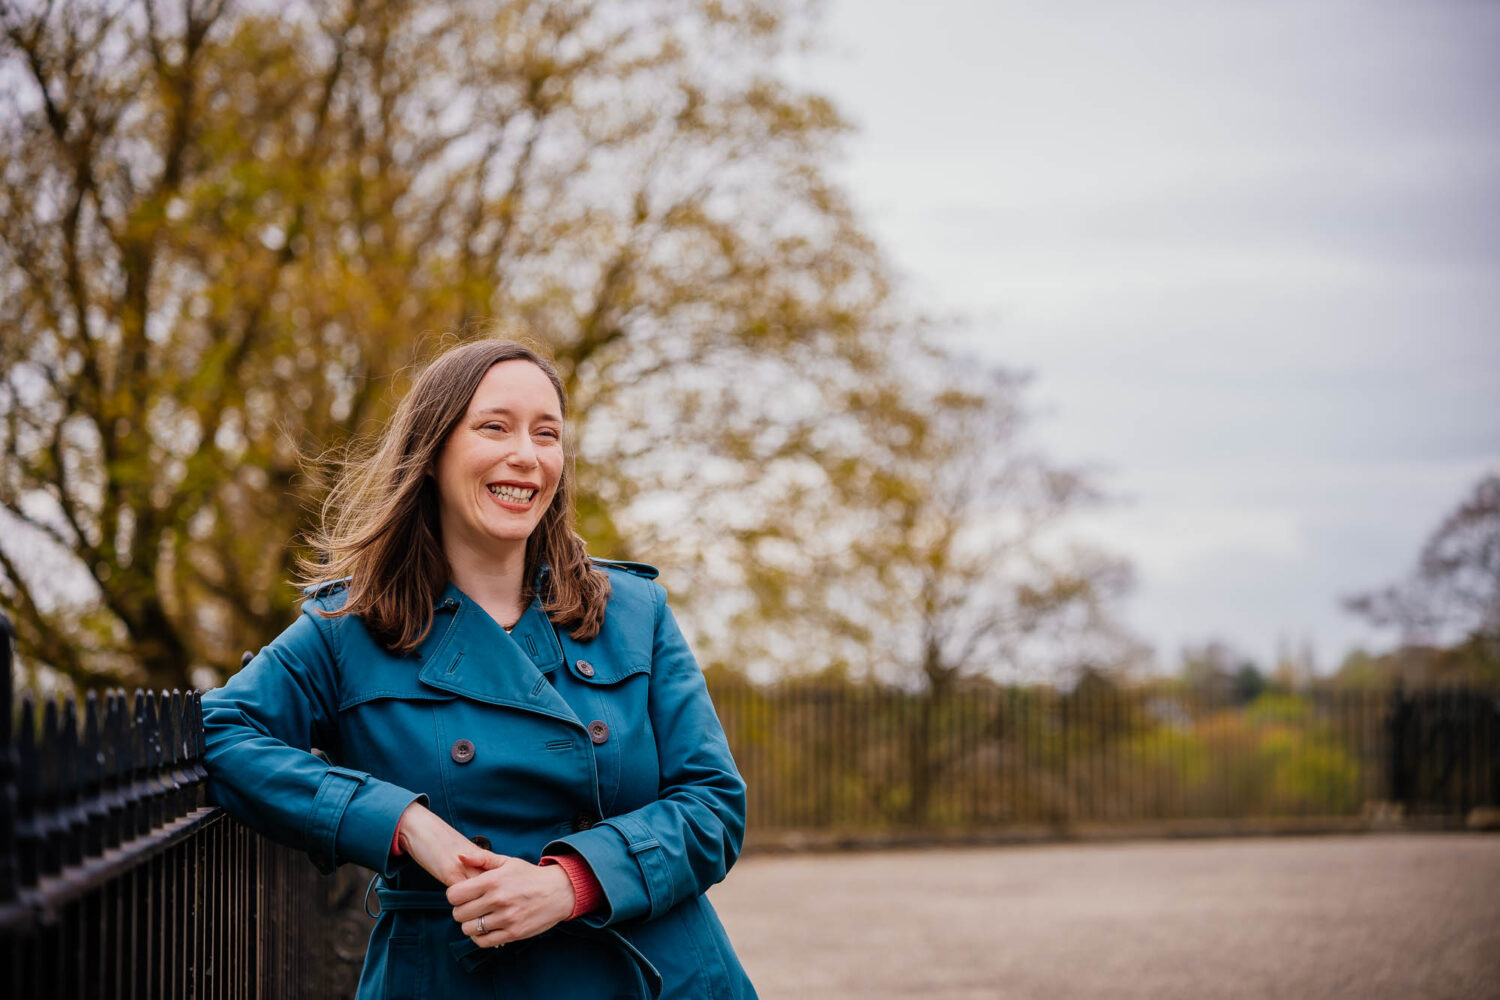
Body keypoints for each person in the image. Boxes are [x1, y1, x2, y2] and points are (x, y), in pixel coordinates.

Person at [201, 339, 758, 999]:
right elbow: (221, 731)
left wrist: (569, 884)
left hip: (649, 968)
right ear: (433, 452)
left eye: (546, 433)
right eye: (495, 426)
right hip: (455, 974)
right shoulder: (347, 628)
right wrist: (405, 824)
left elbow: (713, 806)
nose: (526, 454)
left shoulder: (634, 612)